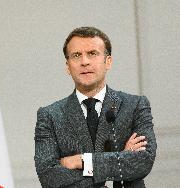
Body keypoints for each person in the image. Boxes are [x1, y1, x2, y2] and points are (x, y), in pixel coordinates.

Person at [34, 27, 157, 188]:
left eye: (92, 53)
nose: (85, 61)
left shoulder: (136, 105)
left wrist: (82, 161)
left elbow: (143, 162)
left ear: (108, 62)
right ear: (67, 66)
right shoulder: (49, 115)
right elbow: (49, 177)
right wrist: (121, 158)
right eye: (76, 55)